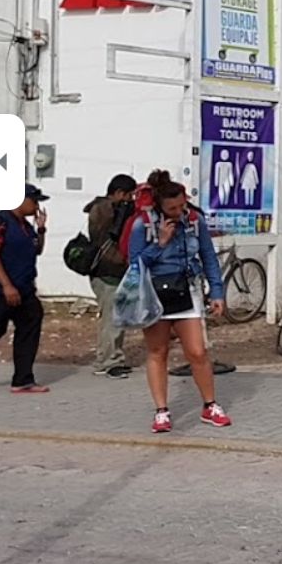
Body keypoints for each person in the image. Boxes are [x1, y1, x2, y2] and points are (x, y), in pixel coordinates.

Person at [127, 171, 230, 432]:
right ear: (160, 206)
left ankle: (210, 405)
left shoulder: (195, 221)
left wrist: (216, 291)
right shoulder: (143, 224)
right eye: (172, 208)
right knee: (158, 351)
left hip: (188, 289)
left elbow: (208, 255)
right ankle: (161, 411)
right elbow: (135, 264)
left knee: (197, 351)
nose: (178, 211)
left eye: (181, 205)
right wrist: (160, 243)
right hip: (155, 292)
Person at [85, 173, 138, 379]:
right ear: (118, 193)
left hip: (115, 273)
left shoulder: (115, 209)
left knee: (116, 318)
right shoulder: (102, 209)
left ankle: (113, 357)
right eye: (128, 195)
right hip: (105, 273)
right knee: (111, 319)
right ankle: (106, 361)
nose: (130, 200)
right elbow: (103, 238)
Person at [0, 185, 51, 394]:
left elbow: (36, 249)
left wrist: (41, 229)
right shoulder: (2, 221)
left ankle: (23, 379)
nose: (36, 206)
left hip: (25, 289)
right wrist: (7, 285)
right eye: (34, 201)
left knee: (30, 324)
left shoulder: (25, 227)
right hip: (3, 290)